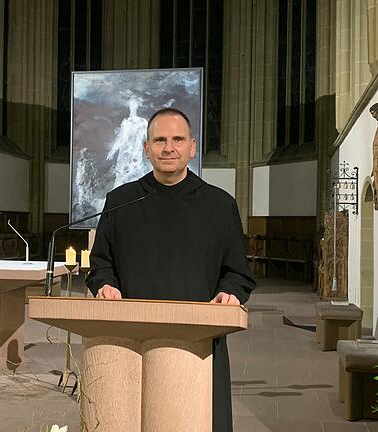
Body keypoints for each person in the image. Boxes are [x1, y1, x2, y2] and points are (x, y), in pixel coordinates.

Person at [85, 107, 256, 432]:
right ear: (146, 149)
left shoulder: (219, 205)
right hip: (130, 341)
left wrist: (230, 292)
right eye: (160, 140)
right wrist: (106, 285)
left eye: (177, 139)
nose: (169, 147)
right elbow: (100, 264)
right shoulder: (120, 201)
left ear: (192, 147)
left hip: (199, 340)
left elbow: (238, 271)